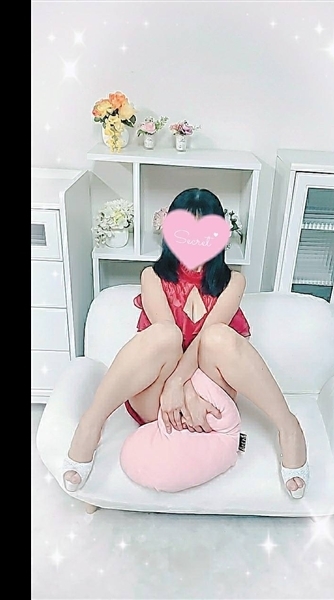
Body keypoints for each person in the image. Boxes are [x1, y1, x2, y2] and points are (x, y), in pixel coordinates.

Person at [63, 188, 309, 499]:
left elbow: (206, 339)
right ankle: (91, 425)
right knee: (165, 335)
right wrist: (175, 388)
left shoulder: (234, 282)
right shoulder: (152, 277)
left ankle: (289, 427)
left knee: (217, 336)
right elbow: (170, 343)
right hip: (156, 396)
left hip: (208, 397)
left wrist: (184, 386)